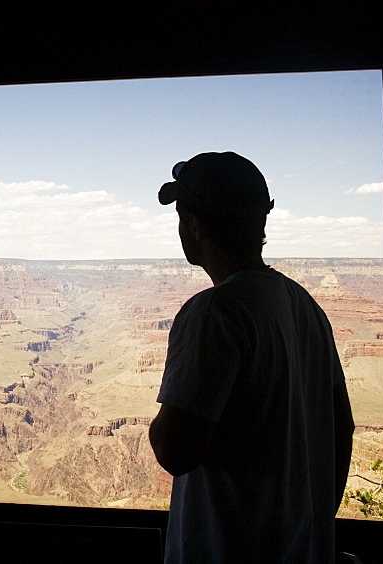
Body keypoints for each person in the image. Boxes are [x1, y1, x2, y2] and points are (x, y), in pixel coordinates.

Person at [148, 152, 355, 562]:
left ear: (195, 224)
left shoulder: (216, 312)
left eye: (181, 216)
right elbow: (342, 426)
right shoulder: (303, 303)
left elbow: (176, 452)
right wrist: (308, 522)